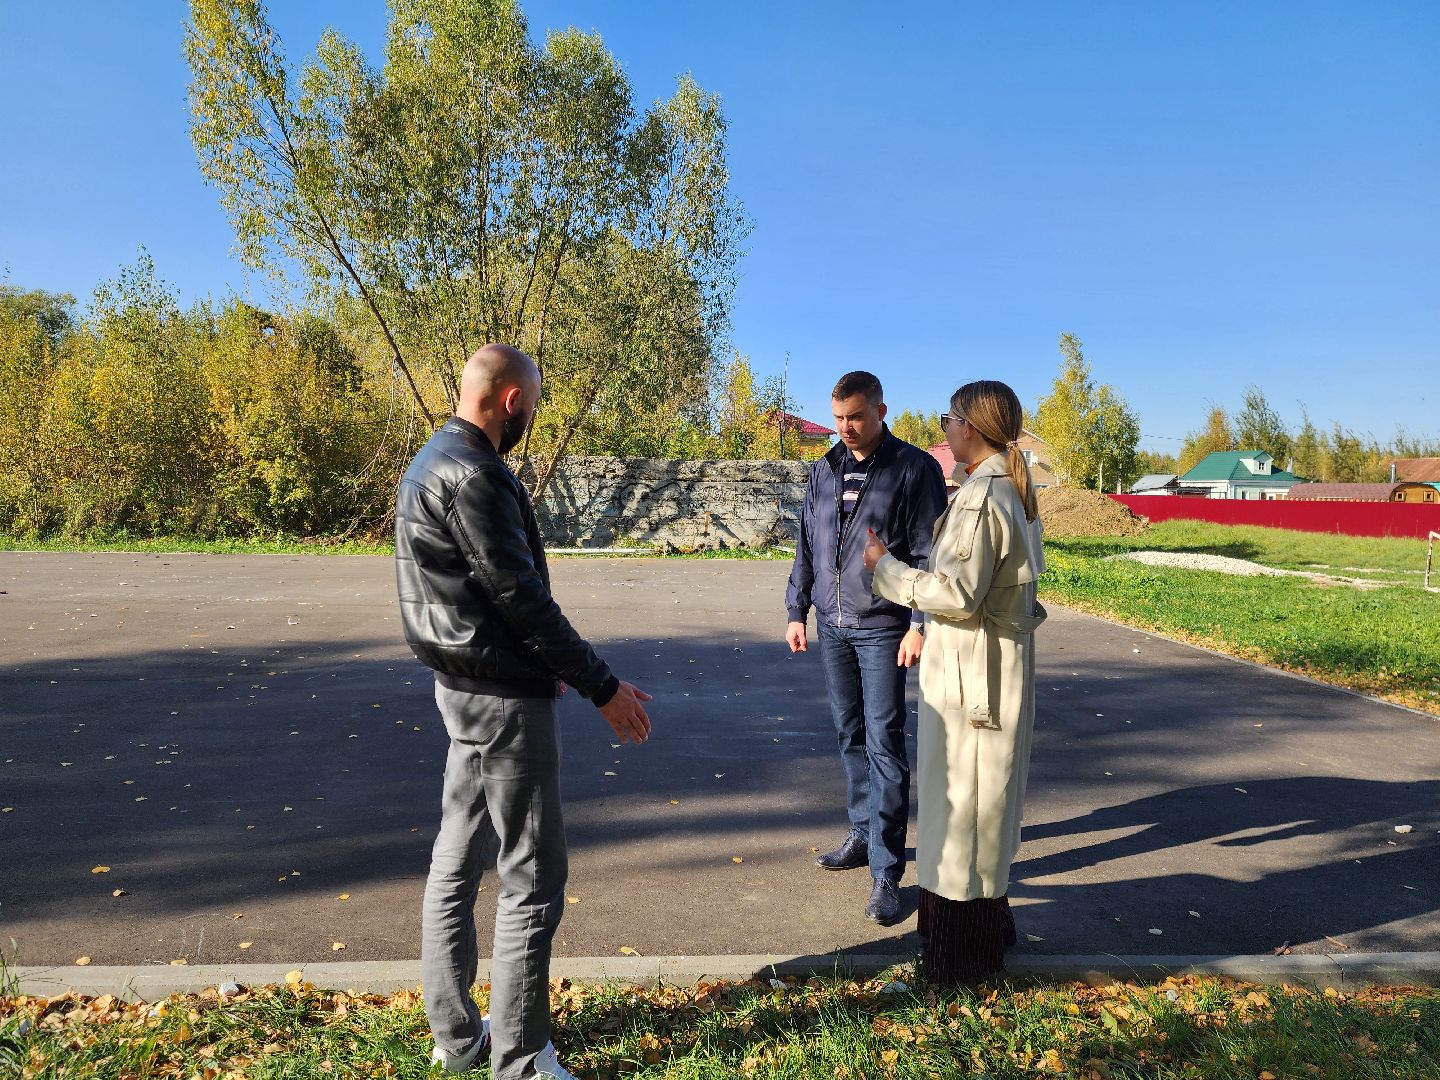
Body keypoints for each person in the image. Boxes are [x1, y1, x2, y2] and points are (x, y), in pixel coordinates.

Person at [394, 344, 653, 1078]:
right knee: (531, 877)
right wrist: (602, 686)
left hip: (464, 689)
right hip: (501, 705)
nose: (531, 417)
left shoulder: (429, 460)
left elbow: (482, 595)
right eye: (532, 405)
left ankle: (456, 1037)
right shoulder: (475, 473)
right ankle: (520, 1055)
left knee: (456, 862)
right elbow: (519, 597)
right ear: (512, 401)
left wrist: (549, 666)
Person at [862, 379, 1046, 984]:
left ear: (970, 426)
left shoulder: (983, 496)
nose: (944, 429)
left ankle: (957, 964)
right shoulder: (1006, 490)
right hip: (985, 673)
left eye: (948, 419)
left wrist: (884, 568)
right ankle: (980, 936)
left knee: (963, 814)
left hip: (974, 682)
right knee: (980, 812)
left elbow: (958, 593)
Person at [784, 371, 948, 924]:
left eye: (855, 417)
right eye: (837, 418)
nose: (846, 429)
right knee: (848, 733)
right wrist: (796, 610)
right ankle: (861, 833)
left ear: (881, 410)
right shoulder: (824, 470)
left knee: (884, 743)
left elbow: (928, 552)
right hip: (831, 624)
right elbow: (806, 545)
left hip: (883, 626)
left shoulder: (912, 469)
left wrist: (919, 621)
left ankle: (886, 871)